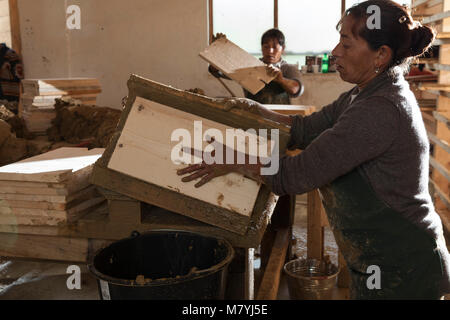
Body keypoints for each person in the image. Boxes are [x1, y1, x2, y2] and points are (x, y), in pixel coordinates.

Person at [178, 0, 450, 299]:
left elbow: (292, 175)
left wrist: (232, 159)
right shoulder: (363, 95)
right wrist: (254, 109)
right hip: (377, 261)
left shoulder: (380, 110)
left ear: (381, 55)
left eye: (346, 44)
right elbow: (304, 129)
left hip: (404, 267)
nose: (335, 52)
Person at [209, 29, 304, 105]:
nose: (270, 51)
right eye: (266, 46)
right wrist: (217, 51)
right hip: (253, 117)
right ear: (261, 48)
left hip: (280, 119)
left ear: (282, 49)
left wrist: (281, 80)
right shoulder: (249, 66)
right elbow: (216, 71)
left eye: (274, 47)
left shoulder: (289, 68)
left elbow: (296, 90)